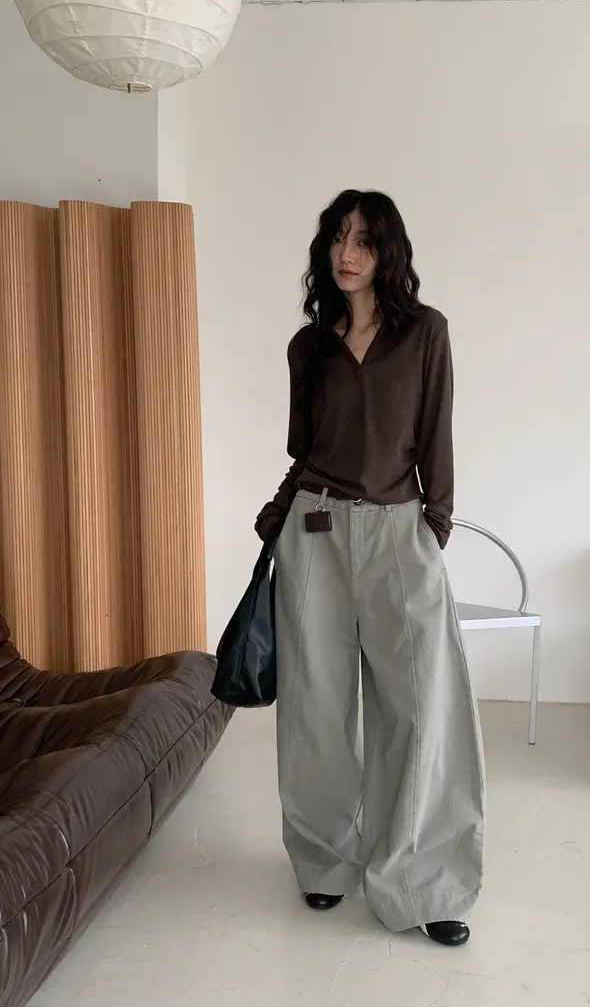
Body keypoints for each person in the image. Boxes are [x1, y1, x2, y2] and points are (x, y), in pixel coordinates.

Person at [255, 190, 485, 947]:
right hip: (314, 532)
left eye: (362, 240)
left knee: (422, 707)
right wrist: (277, 518)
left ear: (388, 252)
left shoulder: (425, 333)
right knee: (316, 707)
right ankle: (324, 859)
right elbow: (306, 450)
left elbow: (437, 437)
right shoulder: (309, 348)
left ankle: (427, 878)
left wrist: (433, 527)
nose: (347, 253)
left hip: (398, 532)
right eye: (337, 238)